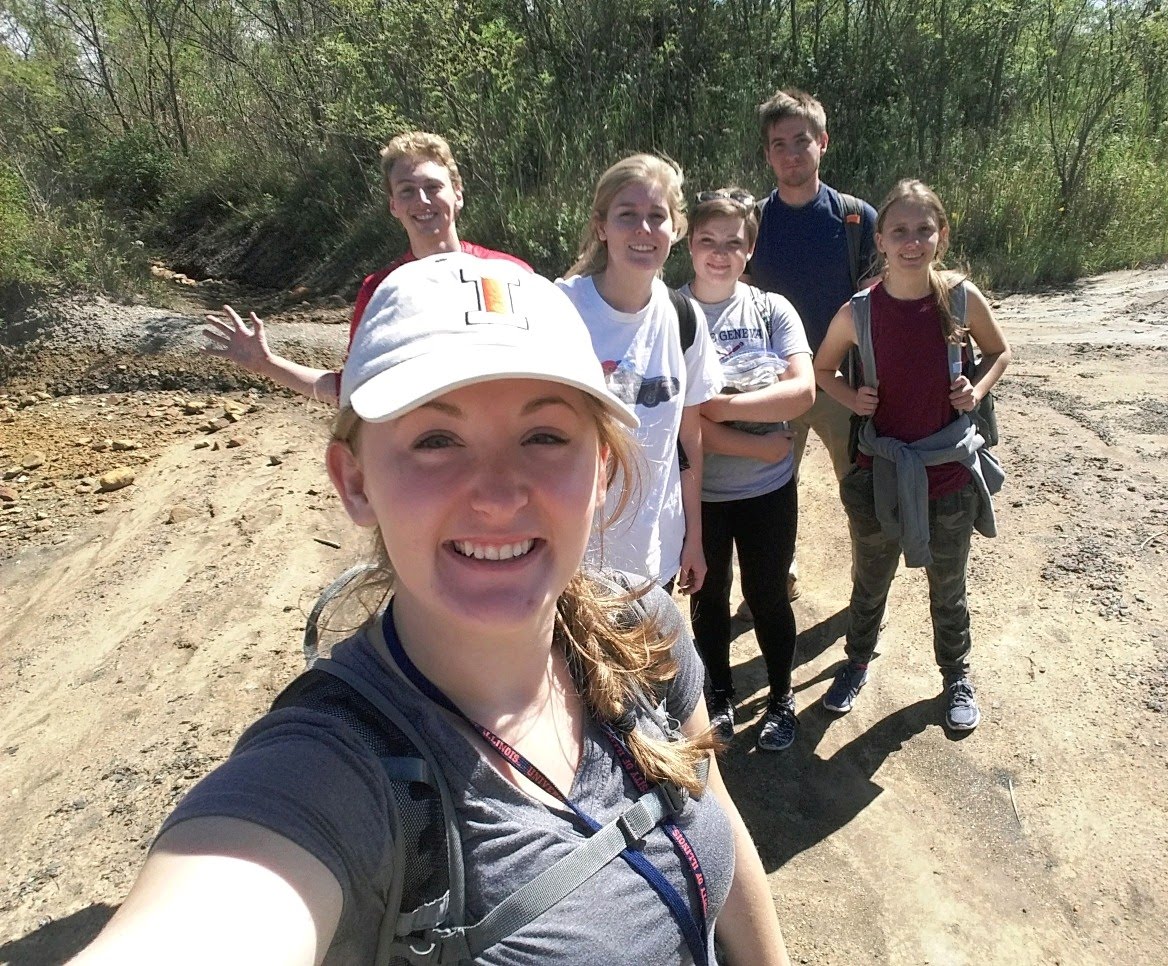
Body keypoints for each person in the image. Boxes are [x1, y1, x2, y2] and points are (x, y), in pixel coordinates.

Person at [73, 253, 789, 965]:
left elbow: (714, 816)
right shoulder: (331, 775)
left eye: (544, 436)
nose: (499, 494)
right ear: (355, 482)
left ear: (600, 470)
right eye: (435, 441)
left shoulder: (641, 632)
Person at [812, 179, 1011, 732]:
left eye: (924, 230)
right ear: (879, 239)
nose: (912, 241)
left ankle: (955, 676)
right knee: (869, 579)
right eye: (899, 230)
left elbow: (999, 351)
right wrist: (853, 398)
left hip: (947, 474)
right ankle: (856, 661)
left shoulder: (960, 298)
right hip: (880, 474)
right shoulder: (860, 313)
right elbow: (820, 369)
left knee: (949, 587)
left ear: (941, 235)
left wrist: (979, 386)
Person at [202, 131, 531, 405]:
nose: (422, 200)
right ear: (393, 206)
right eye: (407, 190)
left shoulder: (510, 274)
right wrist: (267, 364)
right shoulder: (381, 292)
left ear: (457, 195)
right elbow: (354, 389)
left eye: (433, 187)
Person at [679, 189, 814, 752]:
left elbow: (802, 392)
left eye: (733, 243)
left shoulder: (771, 309)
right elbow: (672, 421)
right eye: (707, 241)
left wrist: (718, 407)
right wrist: (756, 445)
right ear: (688, 243)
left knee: (767, 597)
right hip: (699, 494)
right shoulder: (668, 312)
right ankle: (718, 695)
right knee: (708, 599)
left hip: (767, 494)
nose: (719, 253)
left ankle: (782, 698)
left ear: (750, 248)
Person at [559, 154, 724, 595]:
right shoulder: (561, 309)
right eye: (627, 215)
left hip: (656, 554)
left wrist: (694, 539)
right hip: (571, 559)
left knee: (650, 665)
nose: (643, 230)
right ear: (601, 226)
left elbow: (688, 440)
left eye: (657, 216)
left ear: (676, 228)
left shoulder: (684, 317)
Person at [745, 88, 879, 601]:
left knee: (860, 491)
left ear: (822, 143)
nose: (791, 154)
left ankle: (866, 592)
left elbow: (879, 304)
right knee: (771, 495)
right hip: (774, 387)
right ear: (768, 154)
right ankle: (779, 577)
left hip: (844, 386)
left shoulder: (856, 219)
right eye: (779, 144)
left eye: (801, 141)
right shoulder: (752, 224)